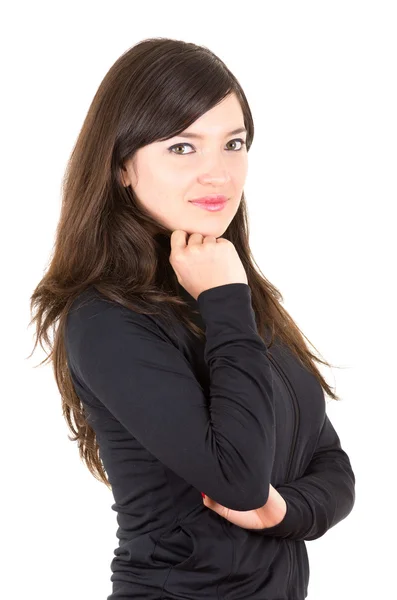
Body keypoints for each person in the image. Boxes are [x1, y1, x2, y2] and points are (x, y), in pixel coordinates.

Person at [29, 37, 356, 599]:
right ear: (121, 167)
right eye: (183, 147)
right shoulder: (107, 317)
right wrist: (227, 302)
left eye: (234, 144)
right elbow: (237, 478)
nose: (219, 174)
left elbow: (332, 465)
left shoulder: (225, 289)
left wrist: (281, 513)